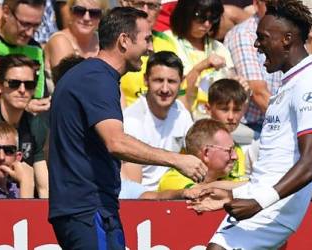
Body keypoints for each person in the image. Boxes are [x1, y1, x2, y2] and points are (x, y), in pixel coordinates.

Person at [48, 7, 207, 249]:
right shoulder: (97, 77)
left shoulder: (89, 75)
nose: (151, 48)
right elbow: (116, 142)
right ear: (124, 40)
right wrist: (177, 160)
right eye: (147, 39)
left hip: (89, 207)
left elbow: (52, 146)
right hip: (88, 209)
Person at [188, 1, 312, 248]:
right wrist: (235, 195)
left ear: (287, 39)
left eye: (262, 38)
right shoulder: (290, 83)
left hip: (271, 209)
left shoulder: (310, 84)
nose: (256, 45)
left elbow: (310, 164)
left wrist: (259, 203)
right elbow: (274, 164)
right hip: (262, 202)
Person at [0, 54, 49, 198]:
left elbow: (44, 188)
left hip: (21, 197)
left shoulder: (36, 125)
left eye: (29, 85)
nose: (22, 90)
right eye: (14, 83)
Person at [121, 51, 193, 190]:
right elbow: (133, 189)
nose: (165, 89)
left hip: (175, 192)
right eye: (158, 80)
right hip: (146, 199)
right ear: (145, 80)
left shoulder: (181, 112)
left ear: (182, 82)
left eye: (171, 81)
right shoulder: (131, 121)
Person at [0, 0, 51, 114]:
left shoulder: (35, 49)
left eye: (36, 25)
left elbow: (40, 95)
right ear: (6, 12)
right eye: (24, 24)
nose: (30, 33)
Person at [223, 0, 281, 138]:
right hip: (248, 128)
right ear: (256, 4)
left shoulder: (287, 33)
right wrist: (292, 126)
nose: (277, 8)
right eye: (271, 3)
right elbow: (258, 93)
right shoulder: (244, 35)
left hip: (274, 123)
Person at [165, 0, 234, 116]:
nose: (207, 24)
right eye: (200, 17)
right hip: (177, 115)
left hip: (215, 119)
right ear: (185, 14)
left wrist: (239, 85)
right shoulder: (167, 40)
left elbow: (232, 90)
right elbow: (168, 88)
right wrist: (200, 67)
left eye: (213, 18)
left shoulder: (220, 48)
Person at [158, 118, 245, 191]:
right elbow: (198, 192)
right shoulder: (173, 179)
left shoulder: (228, 177)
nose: (235, 157)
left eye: (234, 150)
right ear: (206, 153)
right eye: (229, 151)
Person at [118, 0, 176, 107]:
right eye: (139, 4)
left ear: (159, 9)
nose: (145, 11)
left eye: (151, 6)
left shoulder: (167, 42)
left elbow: (179, 92)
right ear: (125, 3)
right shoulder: (115, 41)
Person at [44, 0, 107, 70]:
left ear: (101, 17)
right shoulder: (59, 41)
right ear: (70, 12)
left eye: (94, 13)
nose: (86, 18)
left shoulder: (104, 41)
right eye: (79, 11)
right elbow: (70, 79)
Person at [206, 78, 249, 176]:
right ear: (208, 109)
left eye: (237, 110)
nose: (231, 117)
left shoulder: (238, 150)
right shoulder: (199, 143)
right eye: (224, 109)